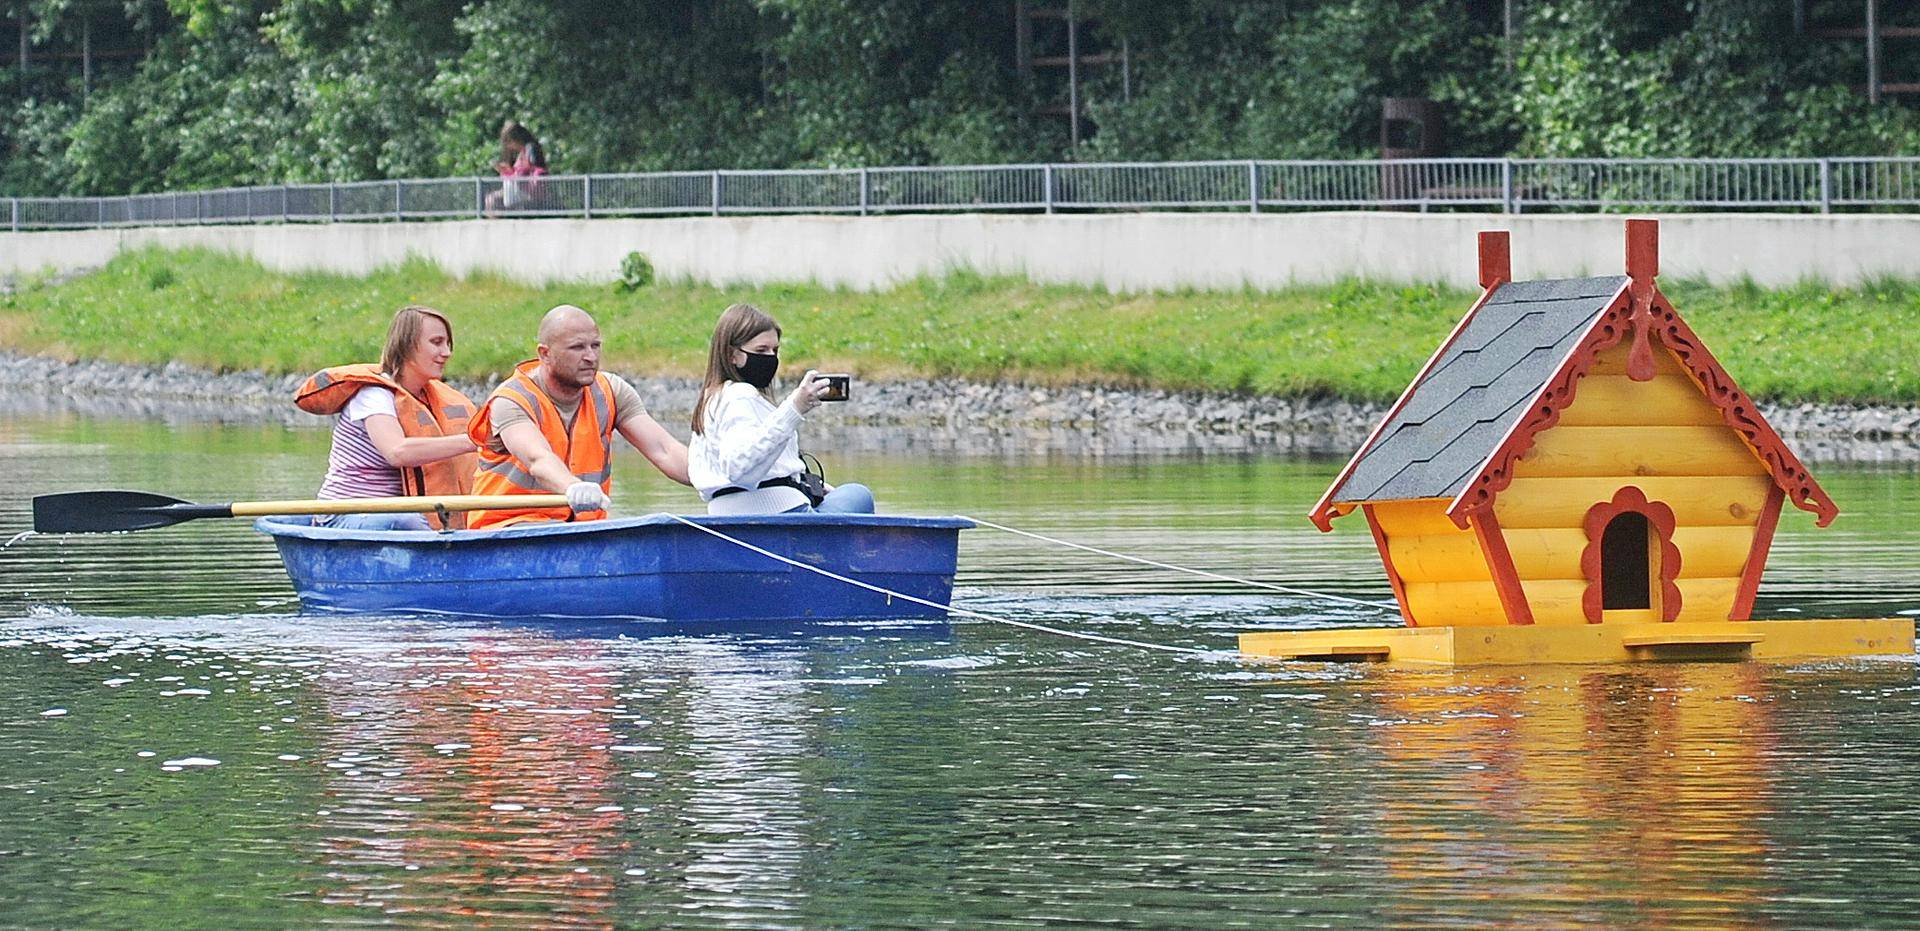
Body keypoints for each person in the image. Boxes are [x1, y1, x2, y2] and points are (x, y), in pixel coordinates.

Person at [465, 304, 691, 529]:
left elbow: (664, 450)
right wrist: (573, 486)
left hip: (580, 530)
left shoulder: (611, 391)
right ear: (545, 354)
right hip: (506, 530)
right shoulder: (511, 399)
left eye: (595, 346)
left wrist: (714, 477)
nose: (590, 357)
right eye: (577, 348)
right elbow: (538, 459)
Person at [294, 305, 481, 530]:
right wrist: (472, 441)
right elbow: (396, 452)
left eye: (448, 344)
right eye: (436, 342)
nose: (447, 352)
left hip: (396, 514)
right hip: (345, 515)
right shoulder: (374, 395)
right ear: (407, 345)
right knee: (406, 520)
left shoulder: (433, 399)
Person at [687, 303, 874, 516]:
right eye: (761, 350)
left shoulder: (711, 400)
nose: (770, 357)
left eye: (774, 350)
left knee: (839, 494)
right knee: (858, 494)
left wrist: (811, 486)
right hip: (781, 514)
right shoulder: (740, 395)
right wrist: (794, 408)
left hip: (724, 516)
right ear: (732, 355)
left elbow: (757, 459)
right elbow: (738, 469)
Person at [486, 120, 548, 213]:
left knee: (494, 201)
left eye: (509, 143)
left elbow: (532, 171)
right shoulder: (522, 152)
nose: (509, 147)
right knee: (491, 199)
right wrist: (508, 170)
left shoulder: (531, 149)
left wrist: (511, 172)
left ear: (515, 139)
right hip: (520, 188)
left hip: (528, 191)